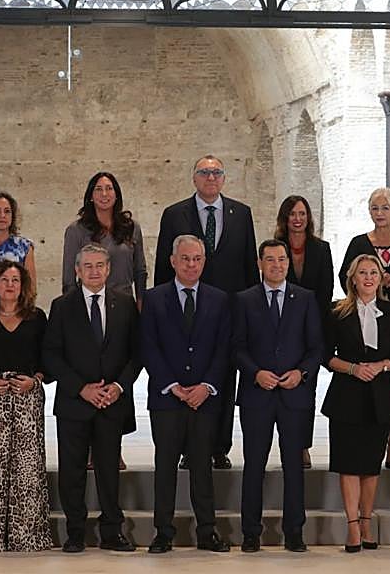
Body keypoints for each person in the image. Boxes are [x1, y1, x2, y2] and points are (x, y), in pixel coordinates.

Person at [153, 155, 258, 469]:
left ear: (223, 178)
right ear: (194, 178)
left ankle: (219, 447)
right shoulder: (174, 214)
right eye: (204, 172)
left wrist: (251, 311)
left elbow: (248, 265)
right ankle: (189, 447)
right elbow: (163, 263)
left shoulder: (241, 213)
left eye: (216, 173)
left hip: (228, 310)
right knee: (189, 375)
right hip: (186, 308)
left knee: (223, 376)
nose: (210, 177)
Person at [43, 244, 141, 554]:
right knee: (72, 471)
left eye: (100, 265)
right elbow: (51, 355)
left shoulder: (126, 304)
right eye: (88, 266)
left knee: (109, 470)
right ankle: (75, 532)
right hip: (75, 403)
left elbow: (136, 353)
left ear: (109, 269)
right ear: (77, 270)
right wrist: (82, 388)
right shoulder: (62, 306)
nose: (95, 271)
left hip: (112, 403)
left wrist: (119, 387)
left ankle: (112, 531)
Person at [141, 235, 232, 553]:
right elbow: (148, 347)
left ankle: (207, 532)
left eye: (197, 259)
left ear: (204, 262)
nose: (191, 264)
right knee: (165, 466)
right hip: (167, 398)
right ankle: (163, 532)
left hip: (204, 399)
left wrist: (206, 386)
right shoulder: (154, 299)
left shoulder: (219, 299)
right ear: (173, 261)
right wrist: (173, 385)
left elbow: (223, 350)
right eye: (185, 258)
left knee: (202, 468)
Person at [232, 239, 324, 553]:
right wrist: (255, 372)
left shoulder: (305, 298)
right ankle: (250, 532)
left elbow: (316, 348)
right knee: (254, 464)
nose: (277, 265)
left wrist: (301, 373)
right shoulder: (244, 300)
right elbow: (236, 347)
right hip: (257, 393)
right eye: (270, 260)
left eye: (282, 259)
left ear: (288, 262)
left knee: (293, 466)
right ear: (260, 264)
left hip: (294, 394)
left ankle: (294, 532)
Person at [321, 253, 390, 553]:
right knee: (348, 464)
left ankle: (367, 521)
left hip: (379, 396)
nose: (368, 277)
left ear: (381, 278)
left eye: (374, 272)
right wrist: (353, 368)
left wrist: (383, 364)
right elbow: (325, 356)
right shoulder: (336, 312)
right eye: (363, 273)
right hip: (346, 395)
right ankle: (352, 527)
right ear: (352, 279)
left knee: (371, 466)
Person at [0, 260, 55, 552]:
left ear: (23, 286)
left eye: (16, 280)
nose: (10, 285)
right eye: (5, 279)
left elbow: (49, 359)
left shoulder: (37, 318)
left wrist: (35, 380)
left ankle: (26, 534)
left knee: (26, 469)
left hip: (27, 397)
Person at [338, 187, 390, 468]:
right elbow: (343, 278)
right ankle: (369, 435)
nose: (380, 213)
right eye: (375, 208)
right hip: (364, 316)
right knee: (371, 376)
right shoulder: (358, 243)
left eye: (385, 208)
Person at [274, 194, 334, 469]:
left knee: (305, 390)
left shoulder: (321, 249)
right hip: (280, 329)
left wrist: (314, 327)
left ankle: (303, 445)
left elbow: (326, 291)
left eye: (302, 213)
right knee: (281, 390)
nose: (298, 219)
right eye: (293, 214)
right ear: (285, 218)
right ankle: (286, 441)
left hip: (311, 330)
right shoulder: (276, 248)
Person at [62, 171, 147, 301]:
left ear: (116, 194)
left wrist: (141, 303)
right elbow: (69, 279)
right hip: (91, 305)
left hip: (125, 303)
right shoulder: (75, 231)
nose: (104, 194)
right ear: (90, 196)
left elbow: (140, 270)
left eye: (109, 188)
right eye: (98, 189)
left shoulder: (132, 227)